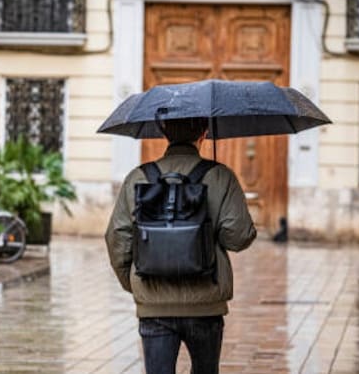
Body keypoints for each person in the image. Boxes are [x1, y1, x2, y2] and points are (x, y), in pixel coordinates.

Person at [105, 117, 257, 374]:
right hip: (206, 302)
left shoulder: (138, 177)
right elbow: (239, 237)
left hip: (153, 302)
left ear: (163, 131)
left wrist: (134, 285)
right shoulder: (220, 176)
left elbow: (117, 237)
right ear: (204, 133)